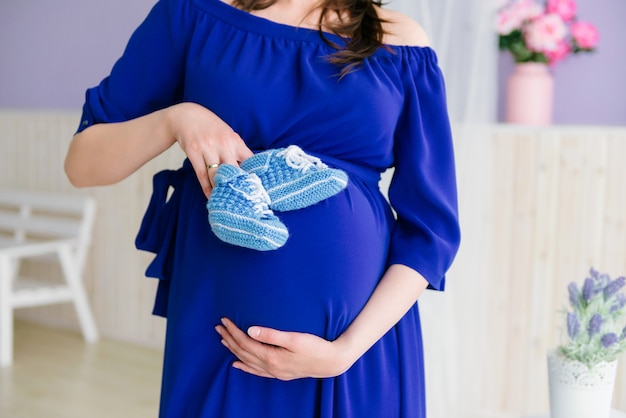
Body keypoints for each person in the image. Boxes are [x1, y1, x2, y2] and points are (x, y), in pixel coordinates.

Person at [64, 0, 461, 416]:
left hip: (357, 353)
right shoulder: (192, 14)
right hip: (222, 342)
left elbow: (431, 230)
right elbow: (82, 164)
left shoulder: (400, 41)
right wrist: (176, 120)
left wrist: (344, 352)